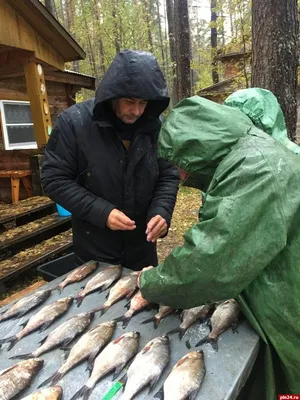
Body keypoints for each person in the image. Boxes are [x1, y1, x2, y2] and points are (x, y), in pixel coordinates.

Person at [138, 92, 300, 398]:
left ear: (200, 146)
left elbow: (209, 259)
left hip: (286, 309)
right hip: (280, 290)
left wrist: (151, 282)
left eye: (182, 162)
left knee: (286, 385)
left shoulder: (254, 169)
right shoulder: (247, 156)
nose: (182, 175)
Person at [41, 49, 179, 271]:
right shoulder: (74, 123)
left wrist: (162, 211)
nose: (136, 111)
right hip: (95, 251)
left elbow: (168, 174)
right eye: (129, 101)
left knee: (144, 303)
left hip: (142, 249)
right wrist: (102, 212)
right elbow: (54, 179)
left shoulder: (156, 126)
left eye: (143, 103)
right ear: (112, 95)